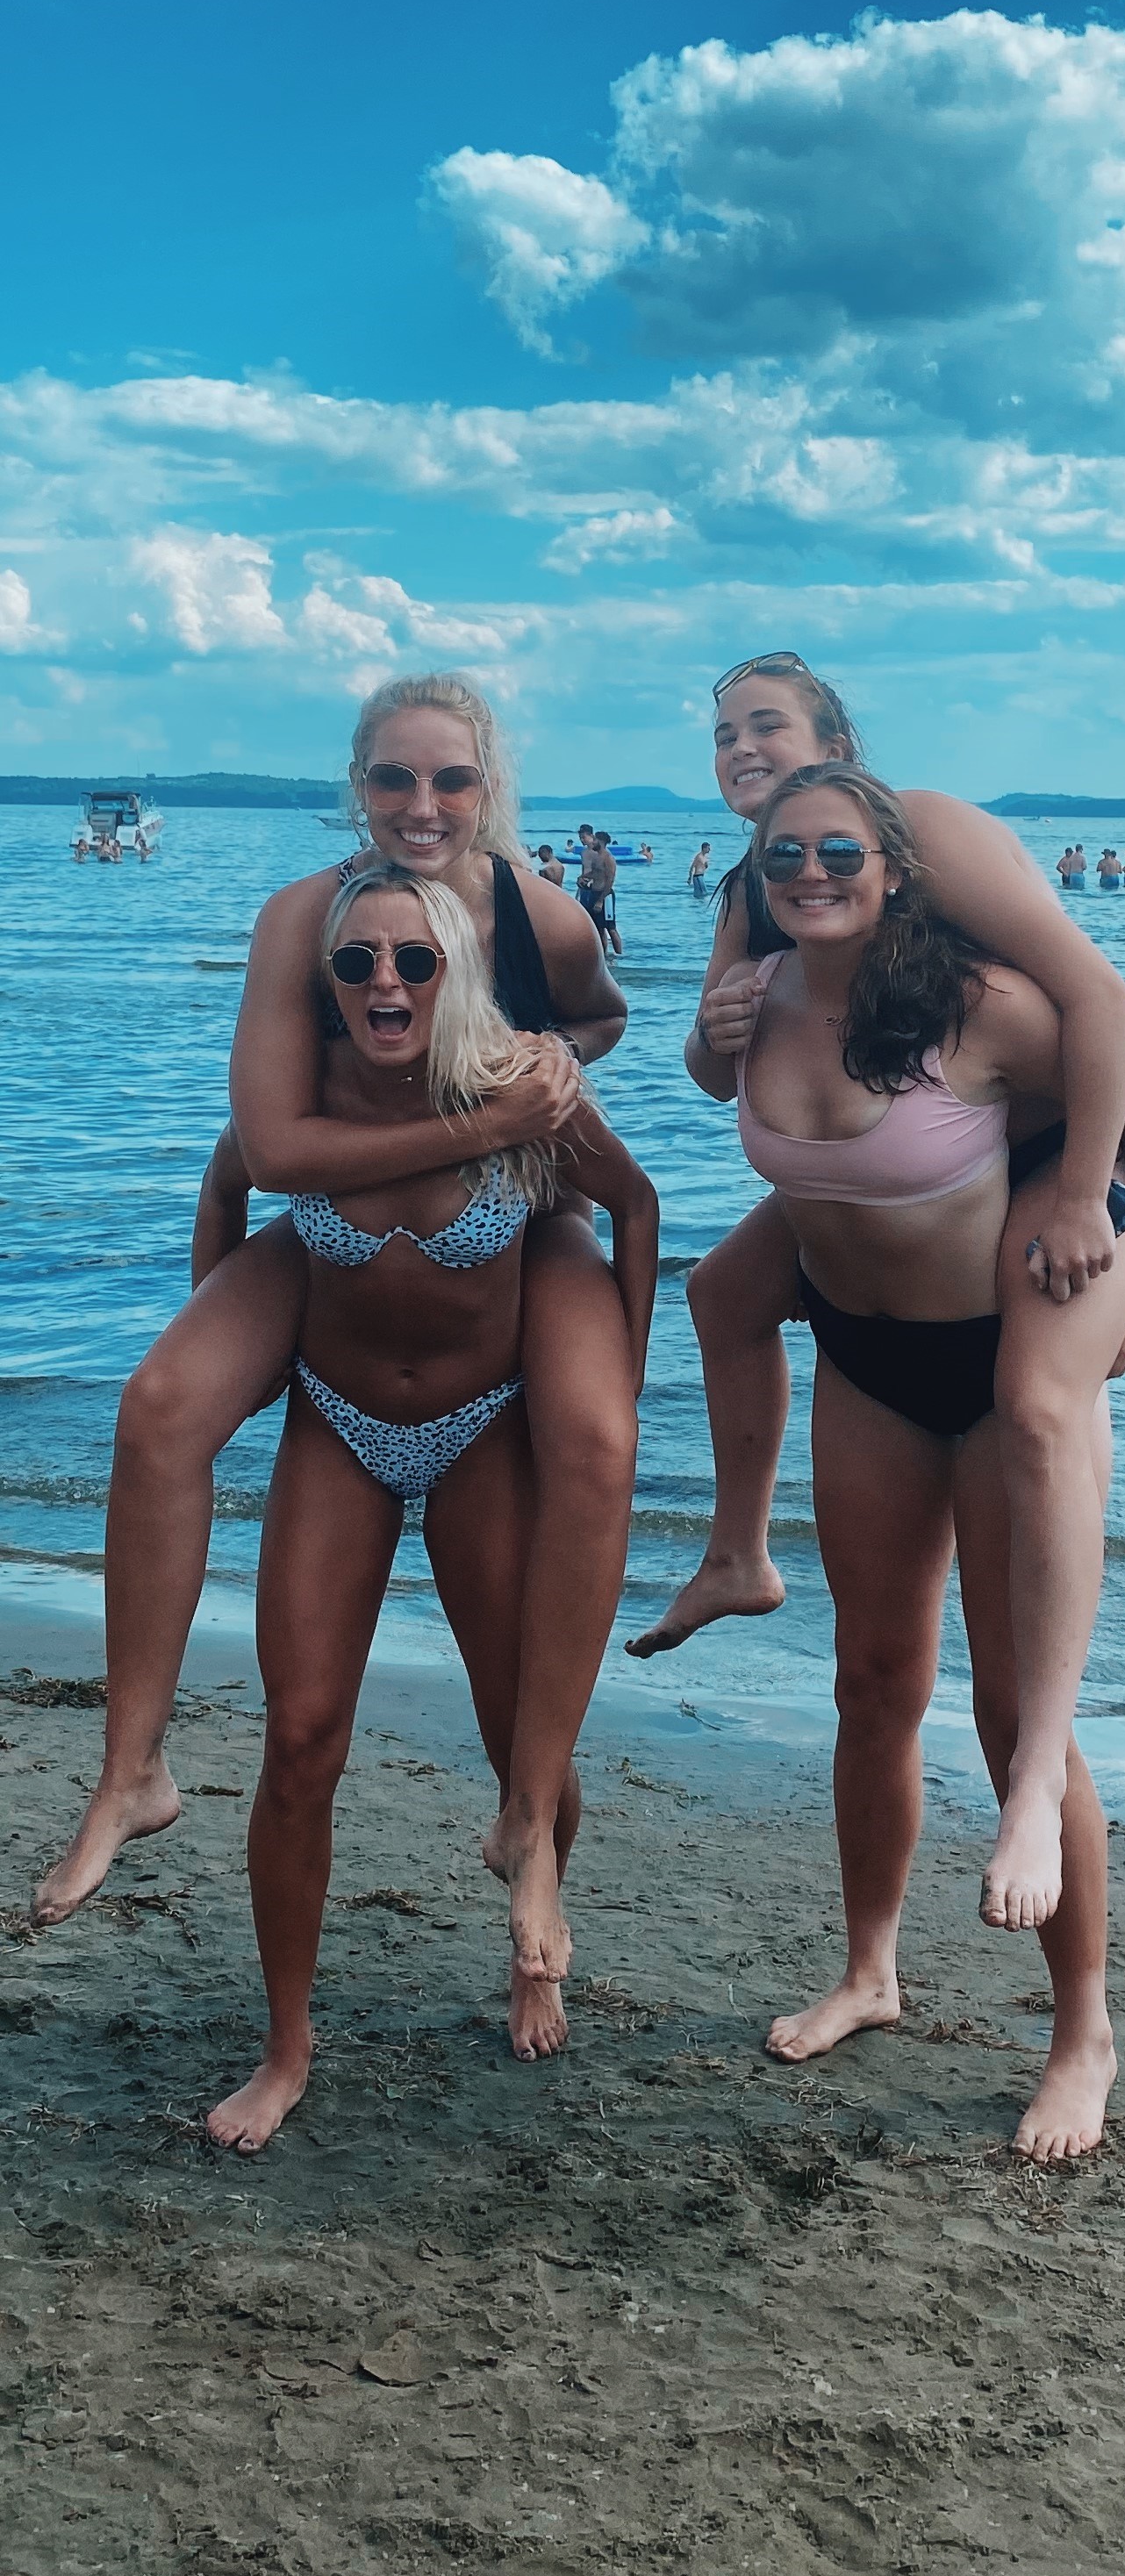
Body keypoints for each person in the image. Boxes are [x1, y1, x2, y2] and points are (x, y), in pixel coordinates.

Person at [36, 673, 635, 1928]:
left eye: (452, 779)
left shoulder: (540, 916)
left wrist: (547, 1072)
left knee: (595, 1439)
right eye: (392, 777)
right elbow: (271, 1150)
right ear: (355, 783)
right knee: (159, 1407)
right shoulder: (307, 920)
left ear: (489, 785)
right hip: (337, 1221)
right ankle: (130, 1769)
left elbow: (600, 1016)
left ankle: (533, 1820)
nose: (422, 805)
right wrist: (478, 1123)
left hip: (513, 1226)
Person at [627, 648, 1125, 1940]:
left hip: (1030, 1175)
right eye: (722, 733)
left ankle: (1056, 1891)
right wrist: (713, 1032)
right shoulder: (756, 893)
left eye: (767, 725)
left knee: (1037, 1418)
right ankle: (737, 1554)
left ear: (840, 748)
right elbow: (714, 1067)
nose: (741, 751)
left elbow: (1103, 1007)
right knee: (723, 1295)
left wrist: (1105, 1225)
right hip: (874, 1258)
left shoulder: (934, 847)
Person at [692, 762, 1125, 2160]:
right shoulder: (757, 997)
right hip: (864, 1365)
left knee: (1017, 1715)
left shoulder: (981, 1005)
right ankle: (868, 1972)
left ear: (892, 869)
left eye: (839, 853)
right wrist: (710, 1035)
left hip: (996, 1363)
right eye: (784, 858)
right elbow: (728, 1128)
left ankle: (1080, 2032)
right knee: (872, 1685)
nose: (809, 875)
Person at [201, 859, 658, 2146]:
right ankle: (285, 2047)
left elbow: (633, 1203)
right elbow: (230, 1184)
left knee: (525, 1733)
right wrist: (233, 1348)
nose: (385, 981)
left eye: (415, 959)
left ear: (459, 972)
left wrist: (612, 1378)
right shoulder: (298, 1096)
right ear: (326, 980)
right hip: (338, 1429)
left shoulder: (520, 1087)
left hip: (481, 1434)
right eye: (357, 962)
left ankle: (534, 1928)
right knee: (299, 1742)